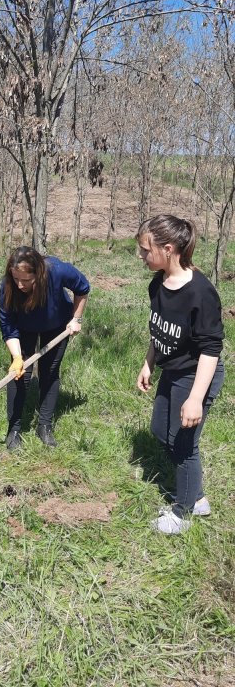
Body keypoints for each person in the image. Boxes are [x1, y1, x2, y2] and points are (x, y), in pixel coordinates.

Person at [136, 215, 224, 535]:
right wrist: (149, 362)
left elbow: (211, 350)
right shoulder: (157, 283)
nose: (142, 256)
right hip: (171, 370)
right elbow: (157, 331)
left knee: (185, 443)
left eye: (146, 250)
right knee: (161, 431)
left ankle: (184, 512)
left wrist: (196, 399)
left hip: (197, 375)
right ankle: (196, 496)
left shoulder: (200, 293)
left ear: (168, 249)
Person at [0, 246, 90, 450]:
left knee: (49, 372)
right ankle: (14, 430)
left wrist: (76, 319)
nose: (20, 285)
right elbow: (7, 326)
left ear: (38, 274)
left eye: (26, 280)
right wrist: (16, 356)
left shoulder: (57, 271)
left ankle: (45, 426)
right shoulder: (7, 286)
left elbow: (82, 288)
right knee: (19, 375)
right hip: (23, 329)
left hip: (57, 326)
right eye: (16, 279)